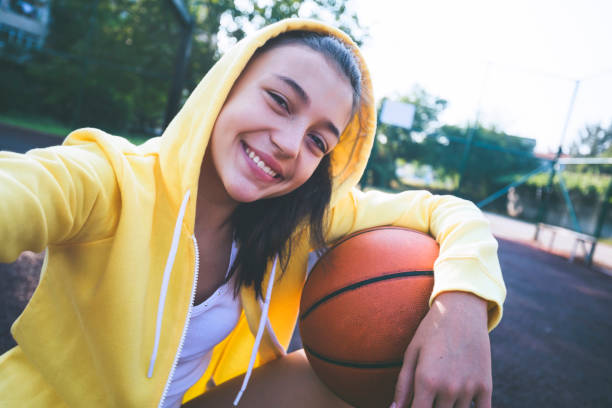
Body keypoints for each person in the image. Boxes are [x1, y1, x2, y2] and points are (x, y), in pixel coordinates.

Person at [0, 19, 506, 408]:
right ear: (227, 85)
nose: (289, 145)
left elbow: (446, 211)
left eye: (317, 140)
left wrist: (460, 306)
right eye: (280, 101)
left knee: (359, 369)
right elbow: (22, 189)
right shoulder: (109, 178)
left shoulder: (299, 216)